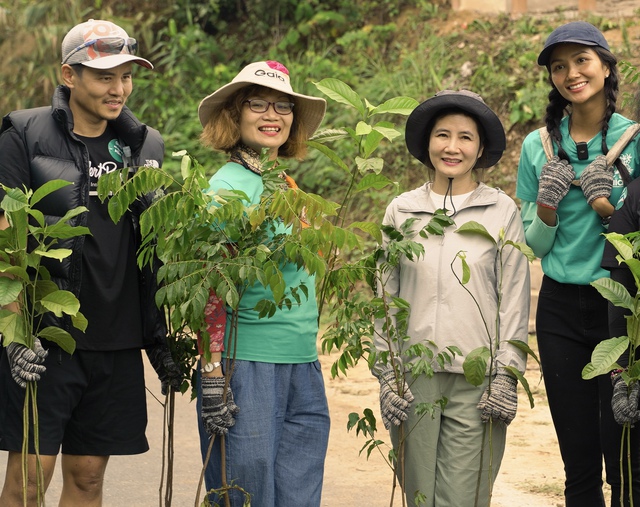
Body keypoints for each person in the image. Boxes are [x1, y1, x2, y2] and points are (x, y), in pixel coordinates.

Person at [0, 19, 181, 506]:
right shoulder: (24, 133)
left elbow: (157, 248)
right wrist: (17, 337)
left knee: (87, 479)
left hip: (115, 340)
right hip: (48, 338)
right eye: (105, 75)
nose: (118, 88)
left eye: (126, 76)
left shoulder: (147, 146)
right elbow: (7, 241)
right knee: (29, 481)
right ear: (69, 75)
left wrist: (161, 338)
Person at [374, 89, 530, 507]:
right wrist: (387, 372)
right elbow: (385, 299)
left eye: (465, 137)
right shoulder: (401, 210)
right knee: (420, 497)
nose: (452, 147)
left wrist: (507, 374)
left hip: (479, 379)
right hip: (414, 375)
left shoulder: (501, 210)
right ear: (428, 143)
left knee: (465, 498)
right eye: (443, 135)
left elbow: (514, 298)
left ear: (480, 149)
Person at [195, 60, 330, 507]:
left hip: (301, 363)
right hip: (246, 363)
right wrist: (212, 374)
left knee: (299, 495)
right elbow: (208, 287)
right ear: (235, 114)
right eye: (258, 104)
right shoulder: (225, 188)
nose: (273, 115)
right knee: (246, 496)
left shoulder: (285, 184)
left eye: (283, 106)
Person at [515, 21, 640, 506]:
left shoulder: (634, 141)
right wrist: (548, 205)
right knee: (578, 459)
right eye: (559, 66)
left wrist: (607, 209)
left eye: (582, 61)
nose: (571, 73)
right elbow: (537, 245)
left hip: (623, 310)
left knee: (625, 453)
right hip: (560, 309)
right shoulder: (537, 147)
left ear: (607, 67)